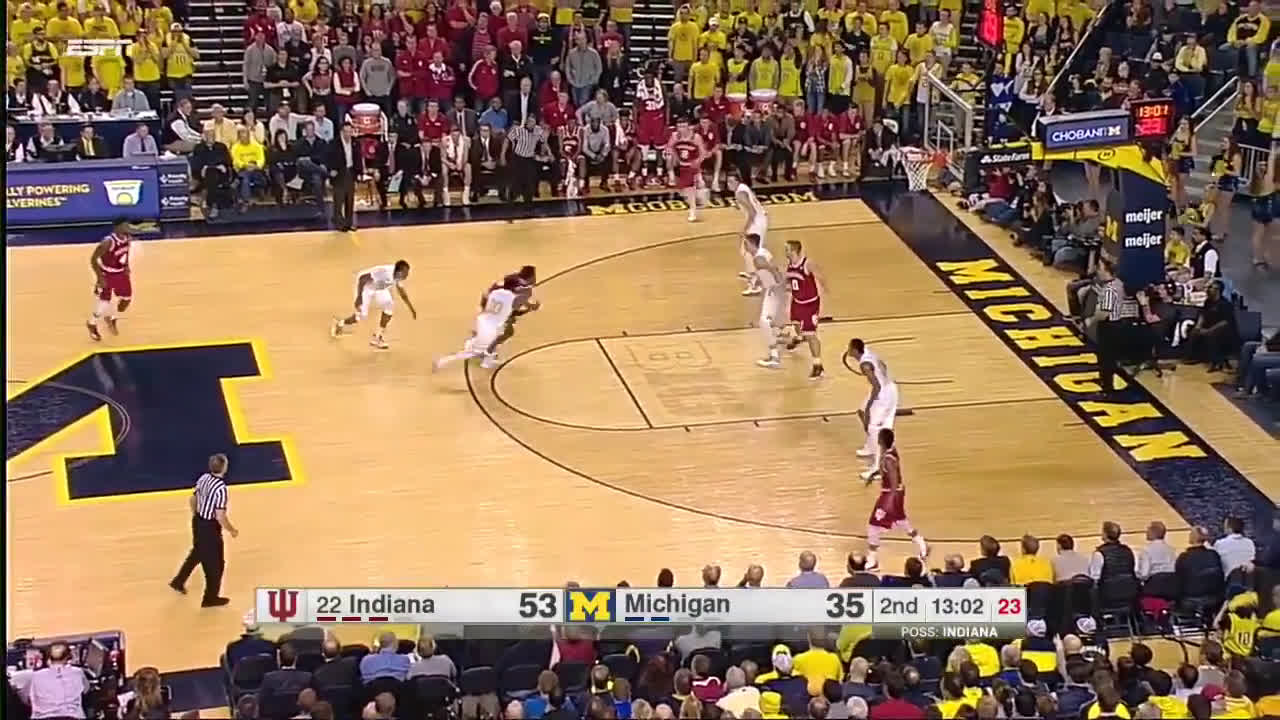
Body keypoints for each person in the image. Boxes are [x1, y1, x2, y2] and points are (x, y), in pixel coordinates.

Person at [169, 453, 237, 607]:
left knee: (197, 553)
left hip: (198, 522)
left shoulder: (203, 478)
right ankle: (210, 598)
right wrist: (232, 530)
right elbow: (220, 516)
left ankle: (178, 581)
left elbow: (192, 499)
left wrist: (196, 515)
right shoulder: (221, 489)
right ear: (224, 467)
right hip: (210, 529)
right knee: (216, 565)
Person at [865, 429, 929, 571]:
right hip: (895, 493)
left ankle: (872, 560)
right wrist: (874, 475)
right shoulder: (891, 452)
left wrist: (888, 502)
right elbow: (887, 472)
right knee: (901, 521)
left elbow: (893, 481)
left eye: (879, 437)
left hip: (891, 494)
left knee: (874, 525)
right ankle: (922, 545)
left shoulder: (888, 459)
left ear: (881, 441)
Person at [433, 275, 524, 371]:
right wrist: (528, 309)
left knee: (494, 341)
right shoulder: (513, 298)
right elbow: (515, 311)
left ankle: (487, 358)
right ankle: (443, 361)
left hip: (483, 319)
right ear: (515, 287)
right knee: (475, 351)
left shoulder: (495, 292)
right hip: (491, 327)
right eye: (519, 286)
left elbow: (486, 297)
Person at [330, 260, 416, 350]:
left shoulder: (397, 276)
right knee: (361, 316)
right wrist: (359, 297)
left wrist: (411, 309)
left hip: (379, 287)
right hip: (365, 286)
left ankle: (377, 337)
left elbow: (402, 294)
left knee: (389, 305)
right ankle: (340, 323)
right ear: (399, 272)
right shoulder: (384, 273)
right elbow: (363, 279)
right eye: (406, 273)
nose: (407, 275)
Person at [848, 338, 899, 481]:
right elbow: (883, 366)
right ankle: (871, 447)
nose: (848, 350)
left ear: (855, 351)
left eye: (850, 348)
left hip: (883, 393)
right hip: (889, 388)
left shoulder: (865, 365)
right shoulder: (868, 352)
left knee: (875, 427)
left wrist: (870, 405)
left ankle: (878, 468)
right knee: (861, 411)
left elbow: (877, 386)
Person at [86, 219, 135, 341]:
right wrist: (100, 277)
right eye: (125, 226)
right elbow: (93, 259)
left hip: (121, 273)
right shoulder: (107, 242)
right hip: (107, 274)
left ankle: (110, 316)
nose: (128, 228)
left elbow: (126, 253)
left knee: (125, 301)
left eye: (128, 225)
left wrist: (126, 266)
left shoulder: (128, 238)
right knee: (104, 302)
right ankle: (92, 324)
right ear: (117, 227)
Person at [784, 240, 826, 379]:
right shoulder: (790, 264)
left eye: (787, 249)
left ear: (794, 251)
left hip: (810, 304)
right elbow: (791, 281)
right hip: (797, 302)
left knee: (811, 335)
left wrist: (824, 291)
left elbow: (820, 276)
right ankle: (799, 337)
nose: (785, 252)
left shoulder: (807, 263)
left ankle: (818, 365)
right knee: (795, 323)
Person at [746, 233, 787, 369]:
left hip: (773, 290)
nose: (745, 246)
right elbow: (772, 267)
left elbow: (772, 269)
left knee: (764, 322)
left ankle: (774, 356)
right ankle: (782, 337)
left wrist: (779, 283)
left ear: (752, 244)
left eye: (746, 244)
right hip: (774, 289)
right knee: (773, 321)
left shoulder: (758, 259)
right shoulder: (764, 252)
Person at [730, 172, 768, 294]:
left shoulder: (740, 193)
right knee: (746, 250)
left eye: (731, 181)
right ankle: (752, 273)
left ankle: (755, 284)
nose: (729, 184)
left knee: (749, 252)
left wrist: (744, 229)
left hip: (756, 222)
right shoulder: (743, 188)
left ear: (737, 181)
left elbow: (752, 212)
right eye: (728, 182)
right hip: (759, 219)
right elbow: (752, 202)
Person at [667, 117, 709, 223]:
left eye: (683, 126)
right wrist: (675, 158)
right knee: (684, 191)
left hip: (692, 164)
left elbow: (703, 153)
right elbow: (669, 147)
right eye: (679, 127)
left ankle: (693, 210)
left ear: (689, 127)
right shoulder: (675, 136)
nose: (681, 129)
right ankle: (698, 189)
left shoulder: (696, 137)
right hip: (681, 164)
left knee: (689, 189)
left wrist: (697, 162)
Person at [327, 123, 362, 232]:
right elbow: (328, 158)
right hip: (339, 173)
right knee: (339, 199)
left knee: (350, 200)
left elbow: (358, 159)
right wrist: (331, 170)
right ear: (341, 132)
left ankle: (348, 223)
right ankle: (338, 222)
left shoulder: (356, 143)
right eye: (346, 132)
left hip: (351, 172)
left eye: (350, 132)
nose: (348, 134)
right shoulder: (334, 143)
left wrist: (359, 173)